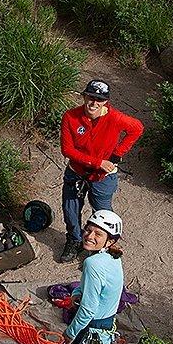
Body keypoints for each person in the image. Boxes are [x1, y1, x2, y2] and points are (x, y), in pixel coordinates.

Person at [58, 79, 143, 263]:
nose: (94, 103)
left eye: (99, 99)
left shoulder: (115, 118)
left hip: (103, 177)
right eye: (90, 97)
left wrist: (117, 155)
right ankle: (74, 239)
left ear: (106, 101)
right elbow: (67, 150)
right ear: (84, 96)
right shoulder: (70, 117)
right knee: (70, 210)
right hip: (76, 172)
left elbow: (137, 129)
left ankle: (102, 247)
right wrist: (98, 162)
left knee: (103, 214)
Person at [64, 209, 124, 344]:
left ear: (109, 241)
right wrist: (76, 293)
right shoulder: (114, 256)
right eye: (88, 230)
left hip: (92, 329)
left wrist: (70, 333)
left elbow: (88, 309)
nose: (89, 236)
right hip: (105, 324)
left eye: (98, 234)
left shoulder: (93, 263)